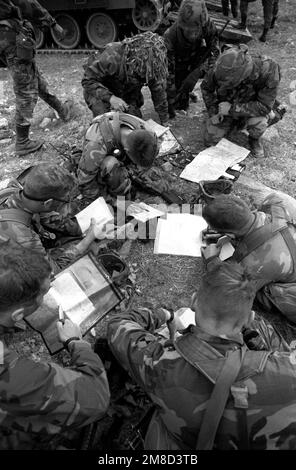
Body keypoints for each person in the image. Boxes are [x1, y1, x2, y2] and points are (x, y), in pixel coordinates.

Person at [108, 260, 296, 450]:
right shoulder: (289, 371)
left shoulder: (158, 363)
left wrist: (162, 315)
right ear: (249, 318)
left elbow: (118, 324)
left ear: (193, 301)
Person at [0, 239, 110, 450]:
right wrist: (76, 342)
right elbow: (96, 397)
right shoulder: (9, 375)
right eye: (44, 294)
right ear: (18, 315)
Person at [202, 191, 296, 324]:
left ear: (231, 234)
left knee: (261, 291)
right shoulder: (276, 202)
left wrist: (212, 261)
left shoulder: (252, 263)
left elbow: (231, 294)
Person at [0, 163, 106, 272]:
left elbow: (51, 218)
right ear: (48, 202)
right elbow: (52, 272)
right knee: (90, 247)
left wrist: (78, 229)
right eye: (65, 200)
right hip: (10, 275)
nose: (67, 202)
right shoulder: (24, 236)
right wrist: (88, 239)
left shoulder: (19, 192)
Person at [0, 0, 74, 156]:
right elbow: (26, 3)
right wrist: (53, 24)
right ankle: (22, 142)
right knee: (25, 89)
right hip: (8, 36)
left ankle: (62, 110)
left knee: (33, 78)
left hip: (6, 36)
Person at [200, 44, 281, 158]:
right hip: (224, 109)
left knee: (260, 122)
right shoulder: (222, 65)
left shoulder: (268, 70)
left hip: (250, 110)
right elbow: (206, 88)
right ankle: (232, 125)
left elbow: (264, 106)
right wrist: (213, 112)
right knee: (210, 141)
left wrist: (231, 109)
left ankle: (254, 139)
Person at [81, 31, 169, 125]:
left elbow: (158, 92)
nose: (144, 75)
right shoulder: (111, 55)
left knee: (134, 124)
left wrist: (165, 121)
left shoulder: (152, 64)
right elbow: (87, 80)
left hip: (126, 95)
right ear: (132, 58)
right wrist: (111, 98)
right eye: (141, 71)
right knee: (106, 123)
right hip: (102, 92)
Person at [77, 111, 164, 203]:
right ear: (126, 151)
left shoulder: (146, 130)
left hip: (118, 150)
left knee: (150, 180)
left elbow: (151, 148)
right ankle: (125, 195)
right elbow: (85, 186)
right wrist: (117, 203)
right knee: (110, 163)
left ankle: (131, 177)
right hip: (98, 161)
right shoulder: (96, 146)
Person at [164, 0, 219, 115]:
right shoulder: (170, 36)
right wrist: (171, 91)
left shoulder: (207, 25)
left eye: (195, 30)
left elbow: (214, 50)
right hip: (178, 63)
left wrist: (206, 70)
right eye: (187, 30)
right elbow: (168, 69)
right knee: (176, 99)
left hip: (197, 59)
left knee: (188, 83)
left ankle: (186, 91)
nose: (192, 34)